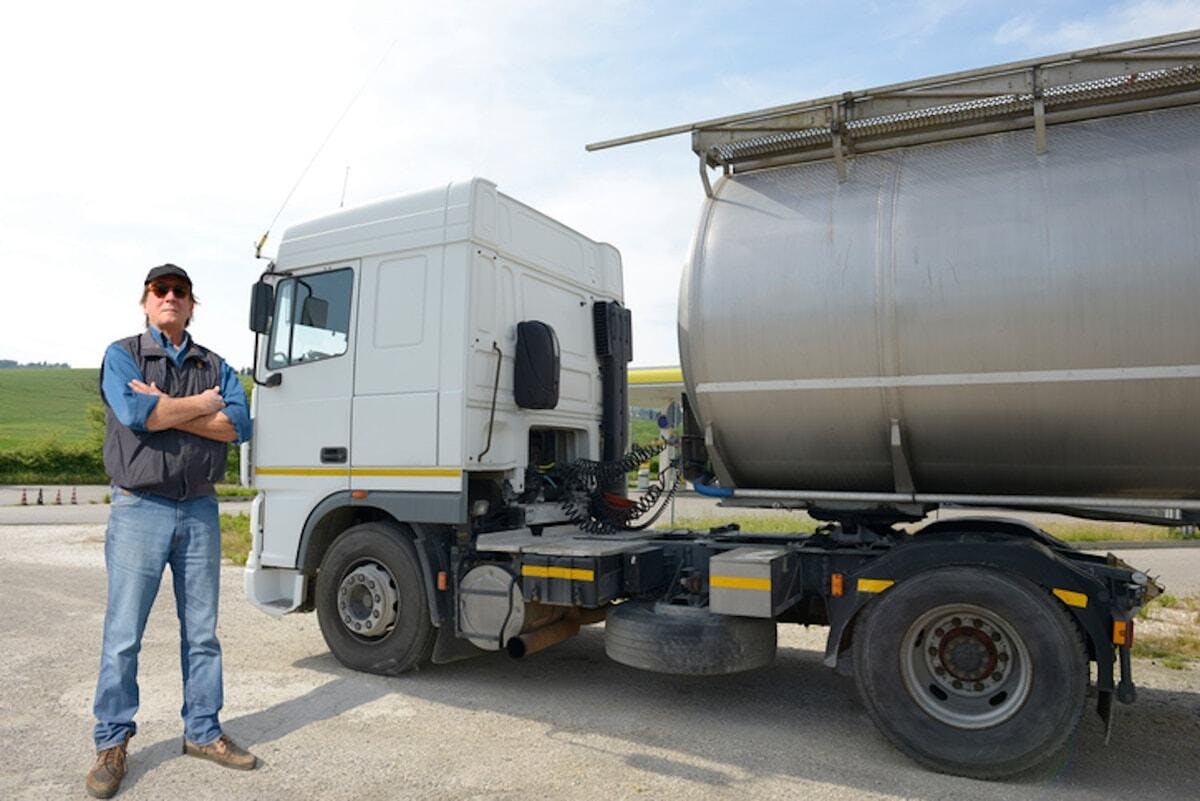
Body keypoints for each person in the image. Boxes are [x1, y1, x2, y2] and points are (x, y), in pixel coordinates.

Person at [86, 264, 256, 799]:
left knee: (202, 633)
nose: (170, 297)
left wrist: (169, 410)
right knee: (123, 637)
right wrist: (203, 406)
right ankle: (112, 743)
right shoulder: (123, 355)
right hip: (140, 508)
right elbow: (135, 412)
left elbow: (240, 425)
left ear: (191, 304)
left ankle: (203, 732)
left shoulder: (214, 364)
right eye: (160, 290)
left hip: (199, 510)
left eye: (179, 291)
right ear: (145, 301)